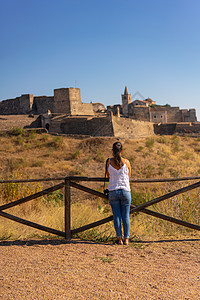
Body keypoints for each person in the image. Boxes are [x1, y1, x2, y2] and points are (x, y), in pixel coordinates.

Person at [106, 141, 131, 245]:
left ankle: (119, 239)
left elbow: (108, 176)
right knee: (125, 216)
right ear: (122, 151)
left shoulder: (108, 162)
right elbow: (129, 177)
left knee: (116, 216)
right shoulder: (127, 162)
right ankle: (126, 239)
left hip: (113, 190)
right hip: (125, 190)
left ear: (112, 151)